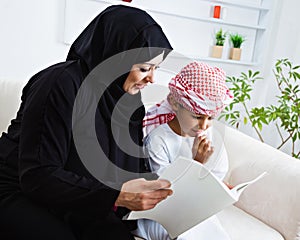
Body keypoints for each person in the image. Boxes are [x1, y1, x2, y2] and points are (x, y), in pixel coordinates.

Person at [0, 5, 174, 240]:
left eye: (156, 69)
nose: (152, 79)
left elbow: (131, 168)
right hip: (18, 189)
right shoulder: (60, 83)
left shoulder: (129, 104)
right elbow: (37, 174)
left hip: (79, 197)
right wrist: (116, 196)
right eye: (144, 68)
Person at [133, 61, 233, 239]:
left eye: (210, 117)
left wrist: (220, 190)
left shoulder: (211, 135)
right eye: (196, 116)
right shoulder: (158, 139)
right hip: (163, 215)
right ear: (175, 103)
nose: (203, 125)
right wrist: (197, 163)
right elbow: (169, 196)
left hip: (196, 211)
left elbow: (217, 176)